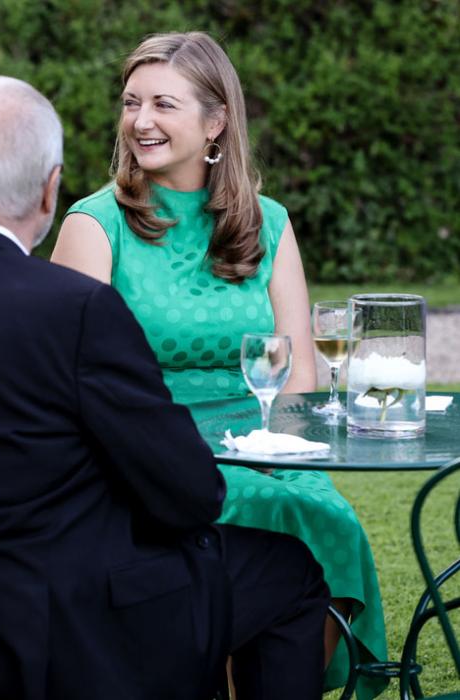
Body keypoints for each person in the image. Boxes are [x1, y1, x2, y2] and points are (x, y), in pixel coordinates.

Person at [0, 76, 330, 700]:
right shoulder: (79, 310)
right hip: (66, 646)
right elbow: (189, 494)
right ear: (51, 190)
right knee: (289, 574)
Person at [52, 32, 388, 699]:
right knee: (258, 513)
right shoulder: (94, 226)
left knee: (329, 522)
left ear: (216, 120)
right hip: (150, 454)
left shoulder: (267, 222)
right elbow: (68, 385)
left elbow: (297, 364)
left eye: (163, 104)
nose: (141, 120)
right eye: (131, 103)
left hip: (266, 442)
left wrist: (281, 451)